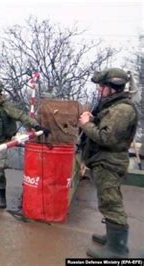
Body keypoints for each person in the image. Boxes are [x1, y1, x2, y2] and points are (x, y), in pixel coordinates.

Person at [79, 68, 138, 258]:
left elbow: (106, 138)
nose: (99, 90)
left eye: (102, 86)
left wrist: (86, 124)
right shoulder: (114, 106)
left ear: (112, 87)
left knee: (111, 203)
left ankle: (117, 249)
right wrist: (93, 119)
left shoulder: (122, 110)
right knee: (108, 200)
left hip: (109, 162)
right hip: (105, 161)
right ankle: (112, 238)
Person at [0, 79, 46, 209]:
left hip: (1, 143)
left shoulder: (6, 106)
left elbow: (21, 116)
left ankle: (2, 197)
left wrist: (36, 126)